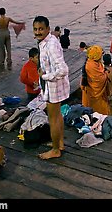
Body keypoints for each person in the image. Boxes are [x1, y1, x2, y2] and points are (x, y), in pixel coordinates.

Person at [33, 15, 70, 160]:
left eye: (41, 29)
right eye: (35, 29)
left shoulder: (51, 45)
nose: (38, 32)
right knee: (57, 116)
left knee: (52, 118)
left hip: (53, 86)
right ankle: (59, 143)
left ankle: (55, 150)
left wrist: (45, 76)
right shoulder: (47, 41)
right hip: (55, 86)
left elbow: (63, 70)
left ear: (48, 29)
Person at [81, 45, 110, 115]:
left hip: (96, 93)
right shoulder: (91, 66)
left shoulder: (93, 62)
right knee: (97, 111)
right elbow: (100, 80)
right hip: (92, 93)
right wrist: (106, 74)